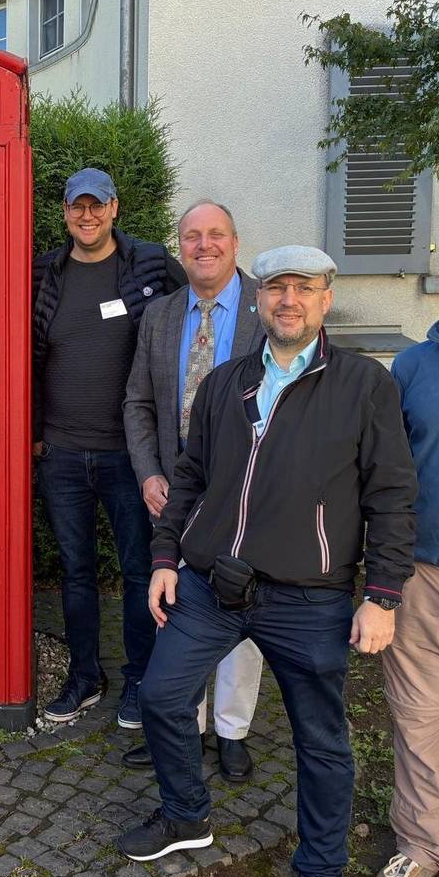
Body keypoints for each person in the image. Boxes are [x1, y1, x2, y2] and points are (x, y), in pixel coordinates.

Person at [116, 246, 417, 877]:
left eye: (303, 288)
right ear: (258, 299)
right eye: (277, 287)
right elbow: (191, 479)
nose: (288, 300)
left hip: (309, 598)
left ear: (325, 299)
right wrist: (166, 557)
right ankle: (187, 815)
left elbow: (391, 497)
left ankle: (317, 876)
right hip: (213, 585)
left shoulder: (365, 386)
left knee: (322, 743)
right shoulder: (226, 382)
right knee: (163, 697)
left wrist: (384, 596)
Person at [32, 166, 186, 727]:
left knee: (140, 569)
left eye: (97, 206)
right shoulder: (45, 272)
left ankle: (140, 677)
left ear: (115, 208)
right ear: (66, 212)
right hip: (63, 453)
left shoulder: (147, 264)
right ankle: (84, 675)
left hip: (132, 455)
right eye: (78, 206)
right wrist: (33, 437)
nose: (87, 216)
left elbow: (208, 303)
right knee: (75, 570)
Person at [123, 201, 264, 780]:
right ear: (178, 245)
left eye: (216, 235)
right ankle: (183, 725)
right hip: (173, 490)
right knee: (174, 604)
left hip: (247, 490)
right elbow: (137, 401)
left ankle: (232, 730)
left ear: (235, 242)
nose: (203, 245)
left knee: (239, 604)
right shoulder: (160, 314)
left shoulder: (268, 306)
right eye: (191, 236)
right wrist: (149, 472)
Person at [372, 224, 439, 877]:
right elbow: (383, 473)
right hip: (425, 572)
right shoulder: (411, 368)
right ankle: (427, 843)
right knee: (422, 716)